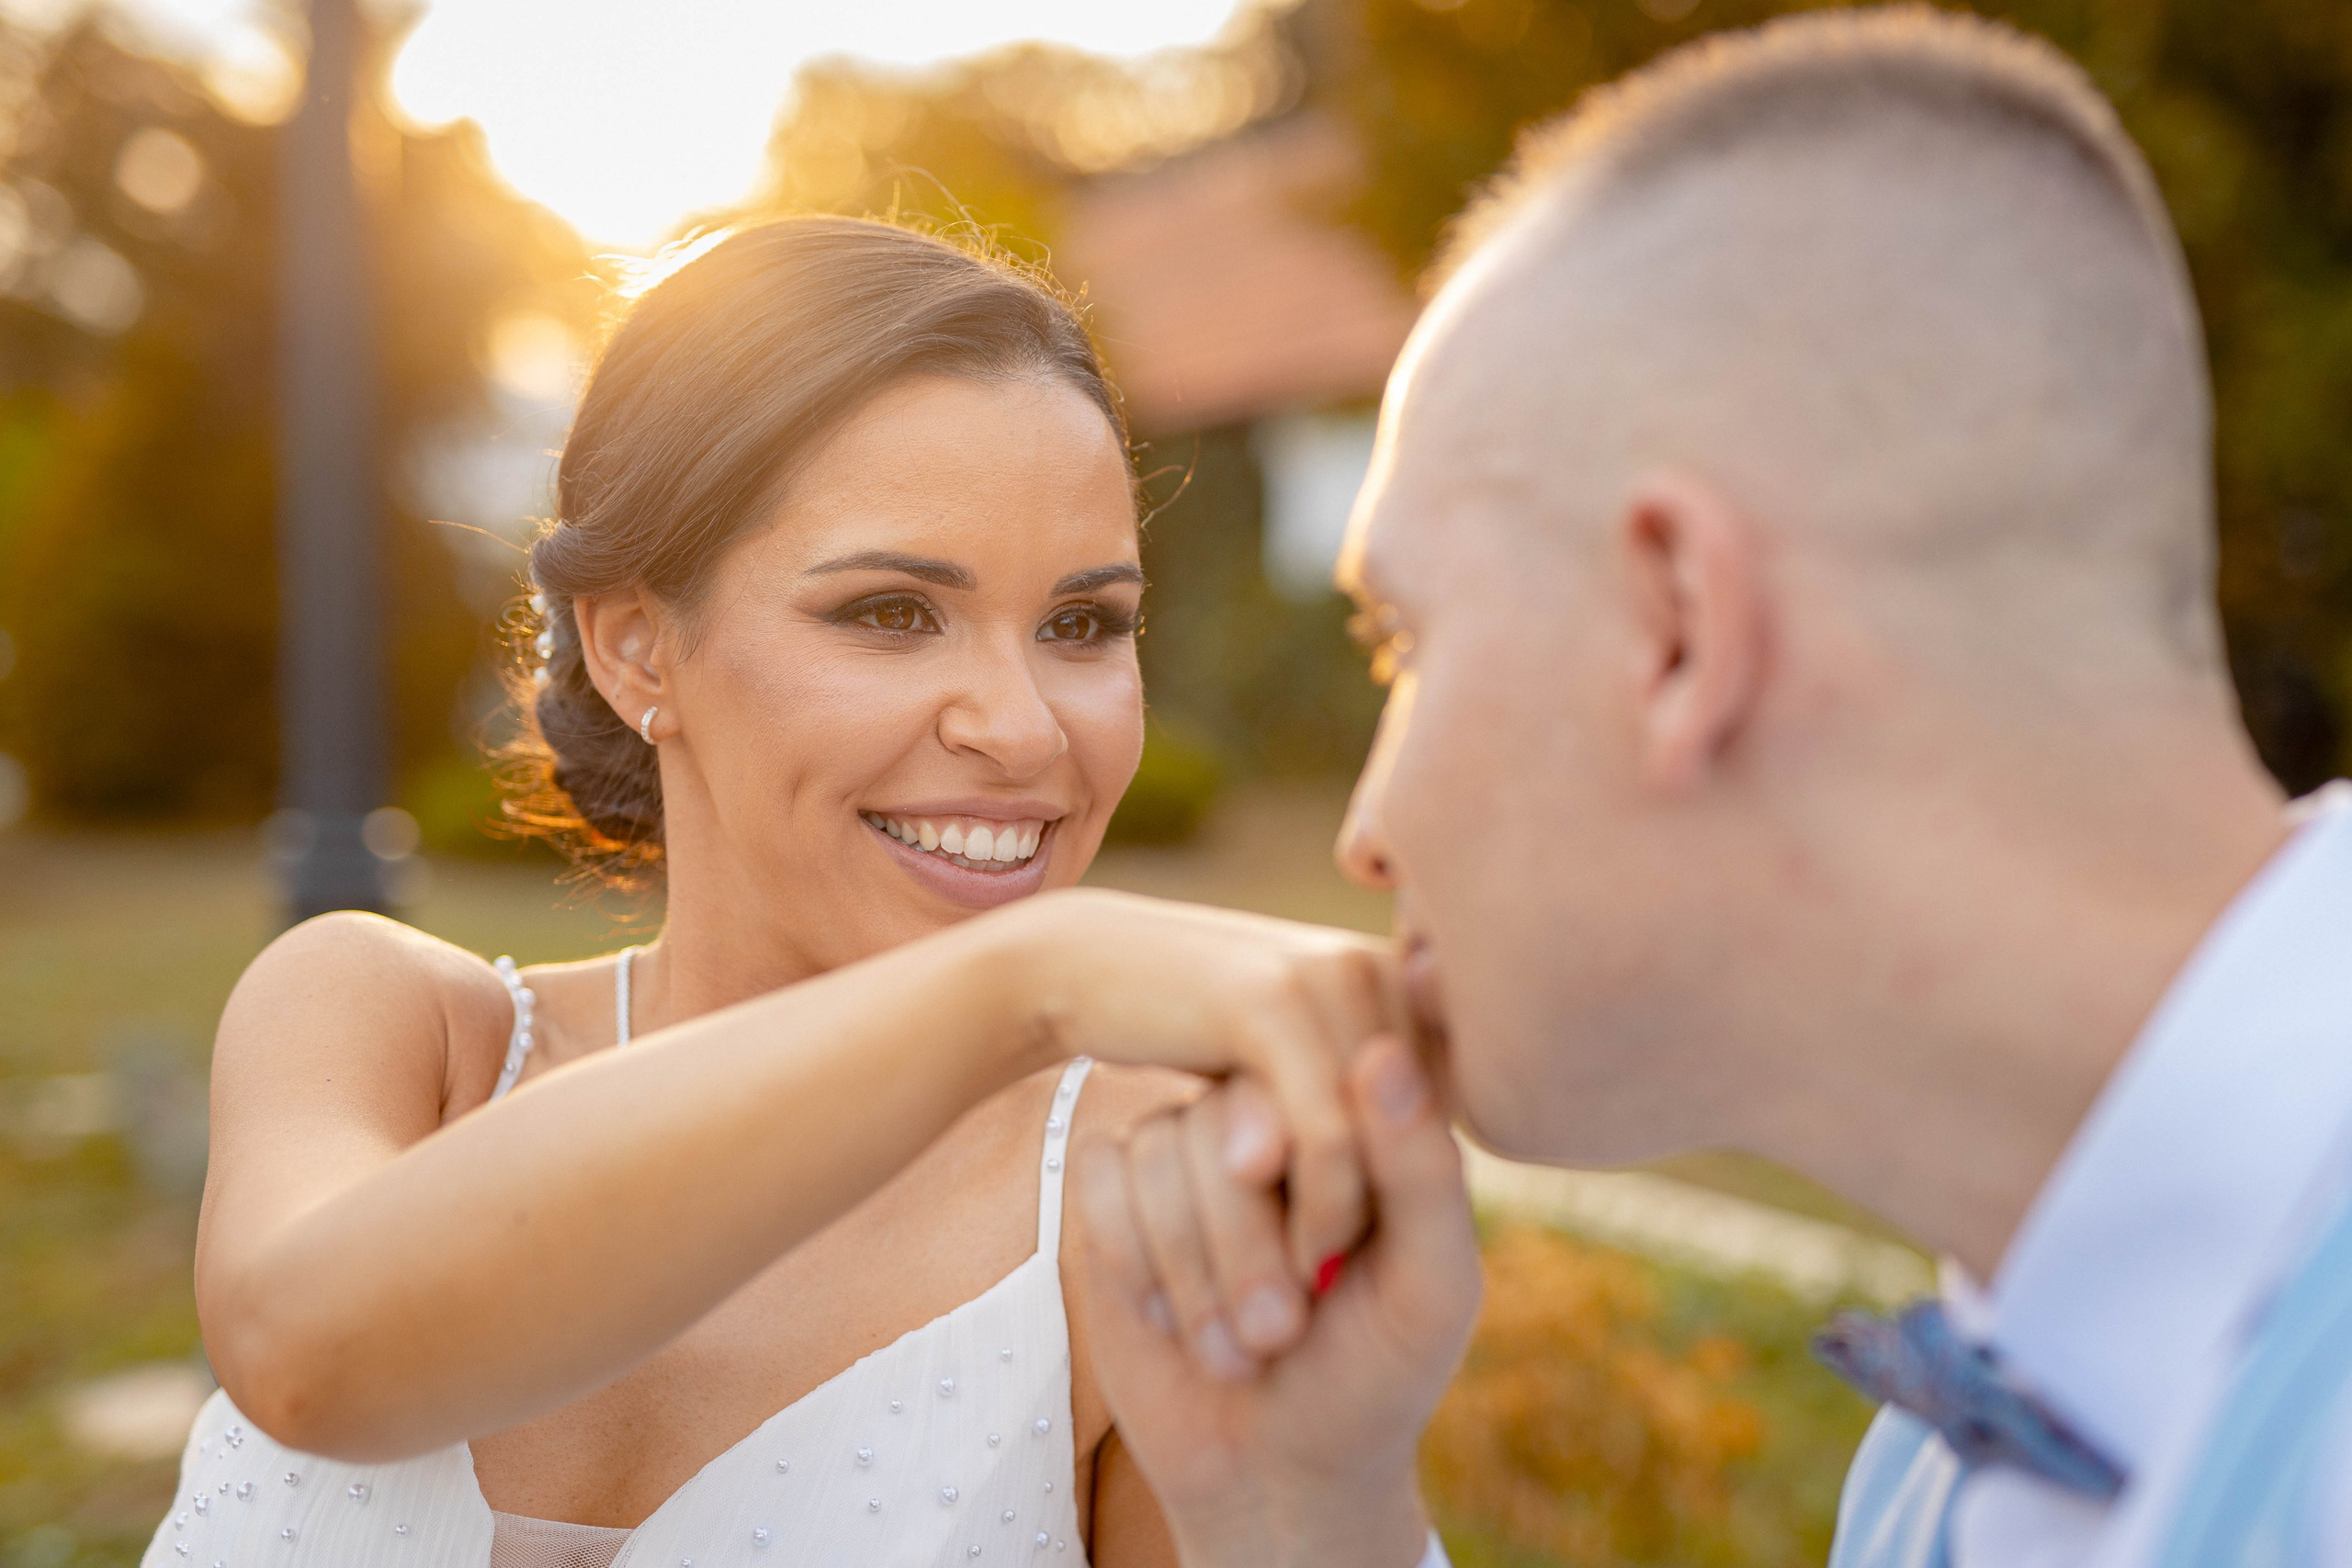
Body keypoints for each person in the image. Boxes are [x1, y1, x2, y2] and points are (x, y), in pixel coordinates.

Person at [1075, 8, 2352, 1568]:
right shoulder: (1946, 1452)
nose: (1365, 831)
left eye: (1401, 639)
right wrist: (1306, 1523)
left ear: (1678, 626)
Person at [144, 218, 1401, 1568]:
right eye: (890, 612)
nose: (1027, 729)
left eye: (1083, 624)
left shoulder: (1141, 1186)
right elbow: (305, 1351)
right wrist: (1027, 980)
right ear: (637, 648)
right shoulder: (387, 1028)